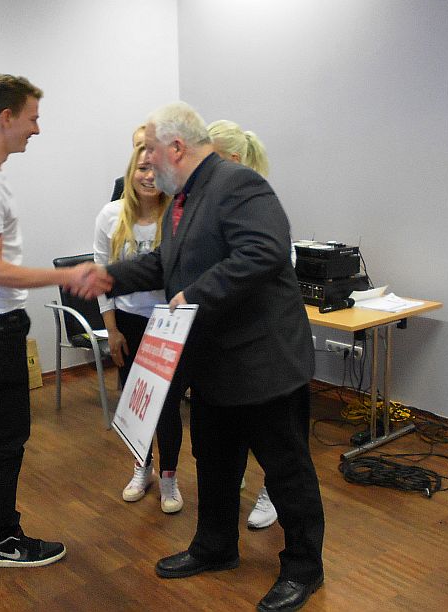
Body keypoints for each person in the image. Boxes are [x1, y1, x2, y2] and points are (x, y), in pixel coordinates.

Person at [80, 102, 324, 612]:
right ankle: (215, 547)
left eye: (150, 149)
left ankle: (304, 568)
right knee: (213, 461)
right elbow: (165, 263)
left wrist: (193, 295)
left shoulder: (238, 184)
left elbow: (263, 252)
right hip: (214, 365)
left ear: (176, 147)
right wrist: (107, 277)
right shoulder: (183, 199)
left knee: (286, 472)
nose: (144, 160)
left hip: (263, 364)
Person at [0, 74, 111, 568]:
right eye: (32, 118)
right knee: (7, 434)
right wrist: (68, 275)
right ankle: (4, 541)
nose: (37, 129)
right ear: (6, 117)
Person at [94, 144, 185, 513]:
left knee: (167, 406)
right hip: (128, 322)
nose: (149, 177)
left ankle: (169, 478)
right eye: (142, 168)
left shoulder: (179, 216)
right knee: (138, 403)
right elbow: (102, 276)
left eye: (156, 169)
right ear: (131, 172)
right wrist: (112, 330)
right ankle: (141, 469)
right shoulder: (110, 216)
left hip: (169, 324)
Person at [208, 120, 277, 531]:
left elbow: (253, 272)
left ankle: (272, 491)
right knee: (229, 432)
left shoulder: (259, 204)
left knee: (267, 434)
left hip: (259, 343)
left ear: (232, 159)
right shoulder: (217, 205)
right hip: (225, 345)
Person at [110, 124, 147, 201]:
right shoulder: (122, 183)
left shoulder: (168, 184)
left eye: (148, 145)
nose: (143, 149)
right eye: (139, 145)